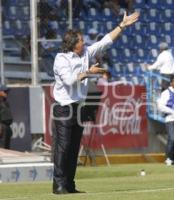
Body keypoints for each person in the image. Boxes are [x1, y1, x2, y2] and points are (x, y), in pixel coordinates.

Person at [51, 11, 139, 194]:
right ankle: (58, 184)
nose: (84, 42)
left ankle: (69, 184)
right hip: (63, 107)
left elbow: (105, 41)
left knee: (74, 147)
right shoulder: (61, 59)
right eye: (81, 40)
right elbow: (68, 81)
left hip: (78, 106)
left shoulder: (85, 54)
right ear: (73, 43)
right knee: (63, 146)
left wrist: (121, 26)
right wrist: (89, 72)